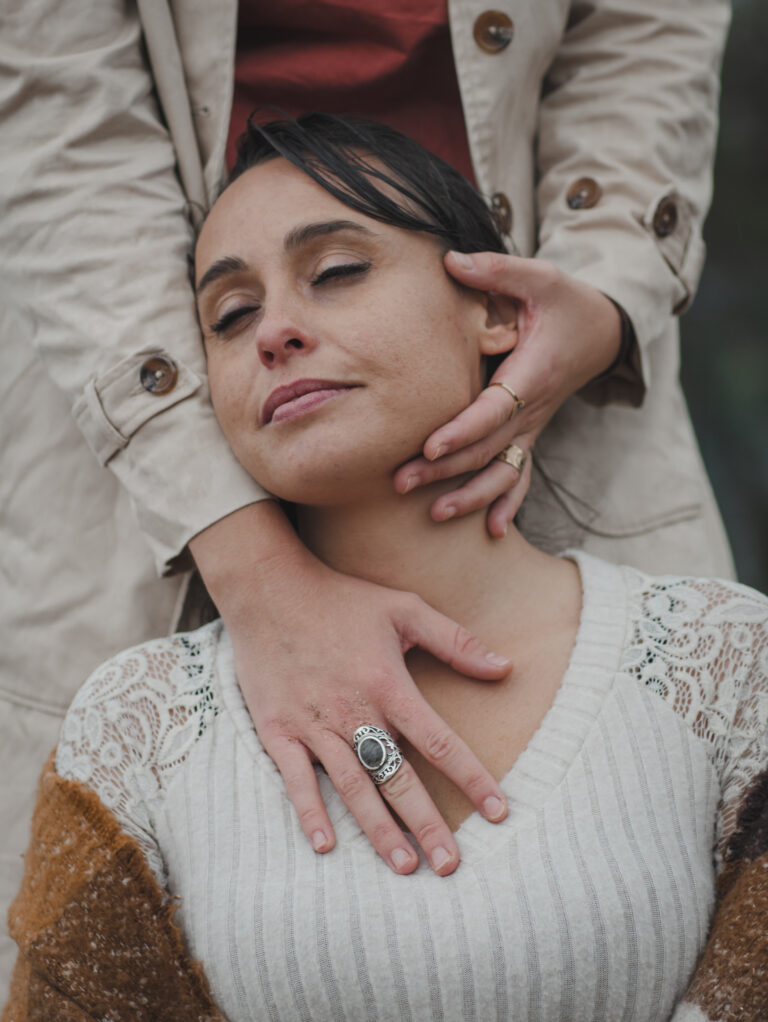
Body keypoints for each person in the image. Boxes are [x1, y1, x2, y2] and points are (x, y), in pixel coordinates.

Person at [0, 0, 734, 990]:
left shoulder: (726, 665)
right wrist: (257, 576)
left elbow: (650, 36)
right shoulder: (130, 726)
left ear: (494, 307)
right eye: (228, 314)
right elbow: (64, 134)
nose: (276, 332)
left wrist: (606, 290)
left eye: (337, 271)